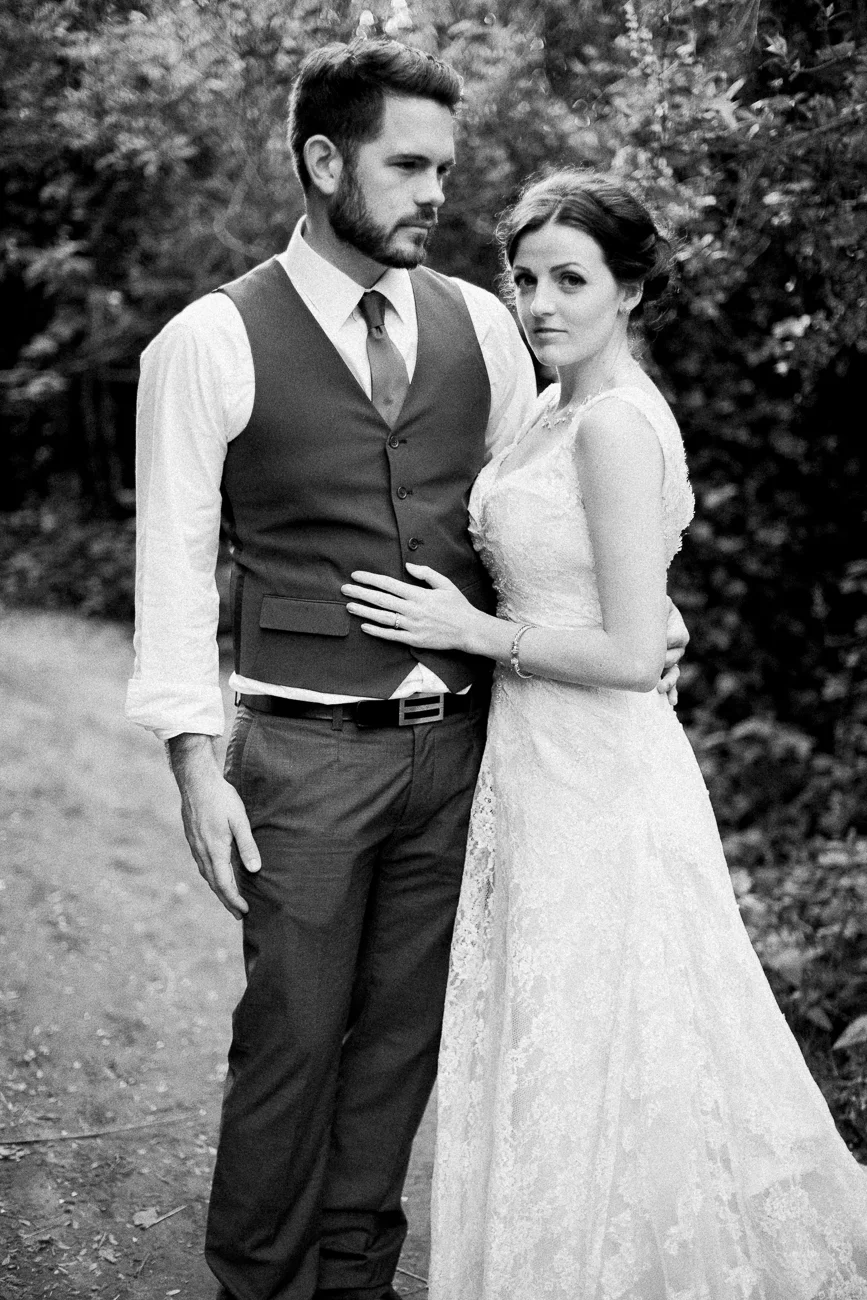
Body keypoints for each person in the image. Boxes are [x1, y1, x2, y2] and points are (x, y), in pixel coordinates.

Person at [125, 40, 688, 1300]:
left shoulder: (484, 325)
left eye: (447, 164)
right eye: (410, 165)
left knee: (399, 1044)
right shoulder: (211, 339)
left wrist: (649, 619)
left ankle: (356, 1278)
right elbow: (170, 569)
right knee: (291, 1040)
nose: (439, 192)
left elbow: (526, 511)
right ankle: (257, 1283)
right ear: (326, 162)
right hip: (305, 752)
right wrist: (191, 761)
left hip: (468, 749)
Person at [342, 170, 867, 1298]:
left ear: (630, 289)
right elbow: (624, 595)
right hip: (534, 766)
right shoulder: (551, 406)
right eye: (525, 278)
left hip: (600, 776)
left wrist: (472, 628)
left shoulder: (617, 423)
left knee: (614, 1036)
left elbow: (632, 656)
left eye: (571, 280)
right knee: (559, 1041)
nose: (540, 302)